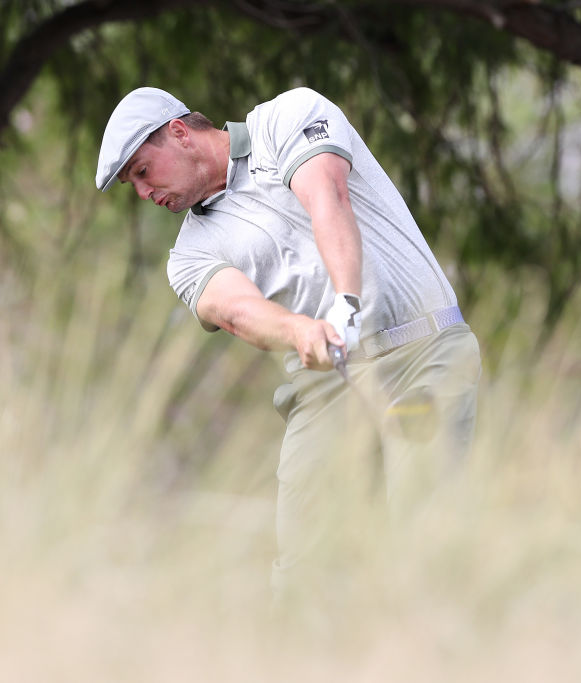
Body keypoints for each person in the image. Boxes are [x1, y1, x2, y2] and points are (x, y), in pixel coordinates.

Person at [95, 86, 482, 602]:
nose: (144, 192)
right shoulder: (187, 256)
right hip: (325, 387)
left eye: (143, 171)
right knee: (304, 572)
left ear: (180, 133)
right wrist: (301, 331)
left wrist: (346, 302)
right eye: (133, 184)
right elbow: (238, 311)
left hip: (424, 353)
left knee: (421, 538)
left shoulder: (288, 117)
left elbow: (328, 199)